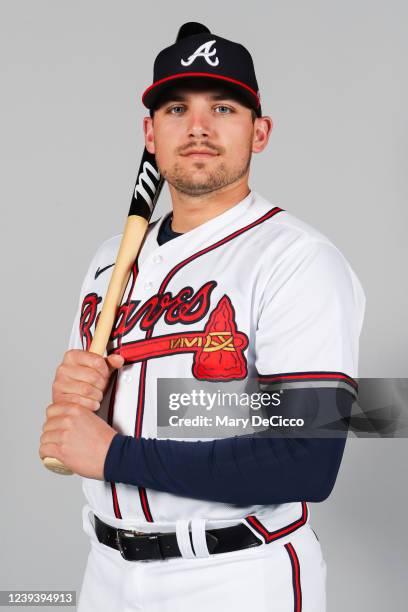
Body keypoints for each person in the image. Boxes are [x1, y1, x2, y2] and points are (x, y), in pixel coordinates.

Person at [39, 23, 365, 612]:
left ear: (259, 132)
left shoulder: (298, 259)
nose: (198, 127)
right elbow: (89, 427)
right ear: (150, 132)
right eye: (175, 107)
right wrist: (77, 398)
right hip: (105, 573)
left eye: (223, 107)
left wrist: (113, 455)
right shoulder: (109, 261)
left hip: (236, 576)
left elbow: (308, 461)